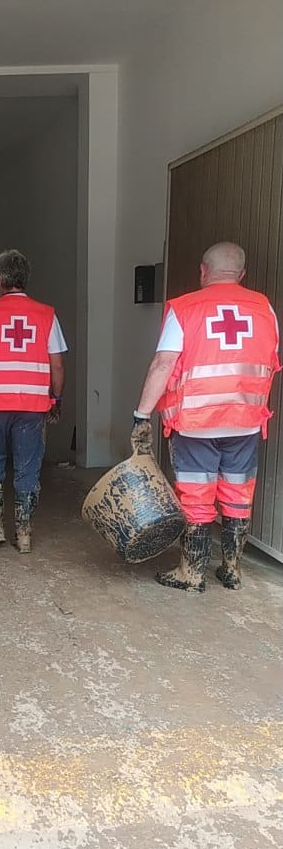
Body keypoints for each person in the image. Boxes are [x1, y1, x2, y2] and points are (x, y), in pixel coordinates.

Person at [133, 242, 280, 592]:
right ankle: (231, 570)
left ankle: (192, 572)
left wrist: (142, 415)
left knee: (197, 497)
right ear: (241, 275)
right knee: (238, 494)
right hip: (246, 420)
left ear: (203, 270)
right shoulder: (265, 308)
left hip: (196, 422)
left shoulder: (185, 309)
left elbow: (163, 364)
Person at [0, 249, 67, 552]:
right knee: (27, 467)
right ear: (26, 278)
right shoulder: (47, 314)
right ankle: (24, 534)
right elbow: (57, 364)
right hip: (33, 405)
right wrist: (56, 398)